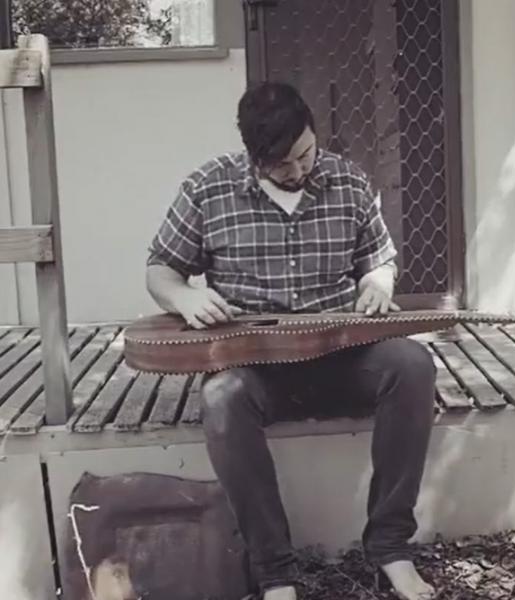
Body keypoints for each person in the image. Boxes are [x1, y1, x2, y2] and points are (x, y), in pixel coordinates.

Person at [145, 82, 436, 600]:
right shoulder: (207, 189)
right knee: (221, 398)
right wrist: (185, 300)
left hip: (340, 356)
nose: (299, 170)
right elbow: (161, 270)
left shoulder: (348, 181)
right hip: (255, 367)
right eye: (281, 164)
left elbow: (379, 260)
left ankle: (390, 547)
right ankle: (276, 572)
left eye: (305, 153)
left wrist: (377, 284)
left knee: (412, 365)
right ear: (253, 154)